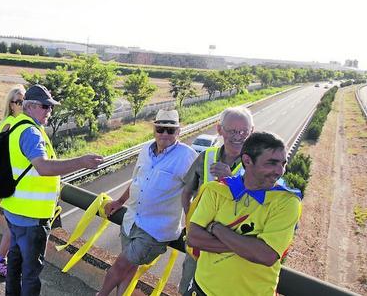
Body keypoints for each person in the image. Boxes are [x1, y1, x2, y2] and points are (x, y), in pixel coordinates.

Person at [1, 84, 103, 296]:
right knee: (30, 273)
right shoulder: (32, 133)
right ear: (30, 106)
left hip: (15, 209)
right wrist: (82, 161)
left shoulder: (17, 125)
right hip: (32, 216)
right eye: (46, 106)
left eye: (51, 107)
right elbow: (44, 167)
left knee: (15, 265)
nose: (50, 111)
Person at [185, 132, 302, 296]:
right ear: (247, 160)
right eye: (272, 163)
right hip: (203, 289)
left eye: (283, 163)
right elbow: (194, 238)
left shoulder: (287, 202)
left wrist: (217, 229)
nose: (280, 171)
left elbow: (266, 256)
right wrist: (249, 246)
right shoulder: (217, 189)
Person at [97, 109, 197, 296]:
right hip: (131, 219)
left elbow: (198, 192)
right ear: (154, 129)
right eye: (161, 129)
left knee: (119, 266)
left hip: (155, 229)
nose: (165, 134)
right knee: (129, 266)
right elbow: (137, 181)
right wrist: (119, 201)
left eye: (170, 130)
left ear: (179, 132)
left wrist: (192, 222)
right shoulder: (145, 150)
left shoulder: (187, 157)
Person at [178, 106, 254, 294]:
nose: (238, 136)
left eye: (244, 131)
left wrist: (231, 180)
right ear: (219, 130)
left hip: (230, 248)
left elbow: (256, 205)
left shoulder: (257, 165)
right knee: (187, 288)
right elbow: (186, 192)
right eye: (232, 131)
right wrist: (190, 221)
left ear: (252, 132)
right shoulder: (207, 156)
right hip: (199, 243)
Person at [0, 84, 26, 277]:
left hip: (16, 180)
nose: (22, 104)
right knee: (12, 227)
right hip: (12, 181)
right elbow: (5, 156)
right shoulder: (10, 123)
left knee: (13, 226)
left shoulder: (20, 122)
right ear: (11, 105)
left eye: (25, 101)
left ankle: (3, 258)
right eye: (18, 101)